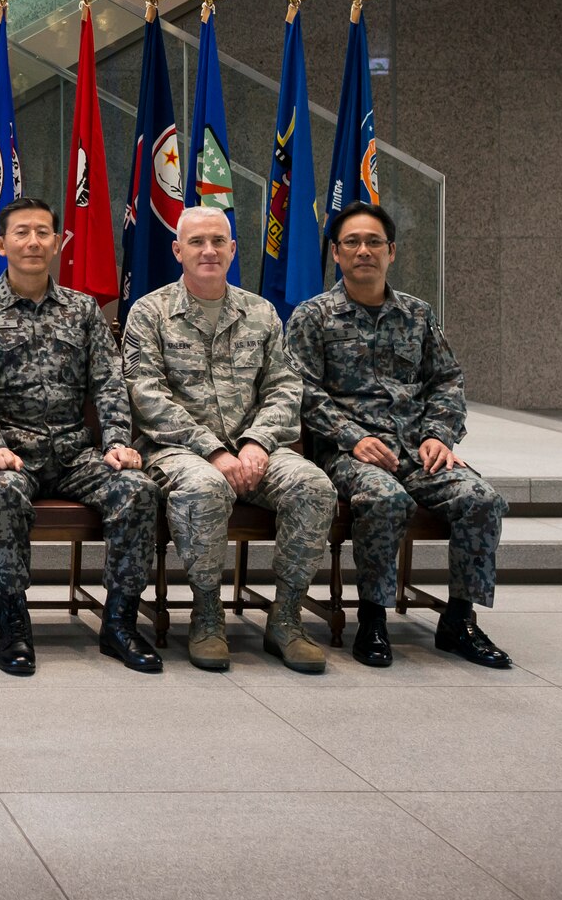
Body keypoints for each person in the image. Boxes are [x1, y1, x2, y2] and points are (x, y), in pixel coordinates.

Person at [285, 202, 511, 669]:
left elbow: (447, 380)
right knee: (384, 500)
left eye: (373, 243)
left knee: (481, 499)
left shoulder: (417, 314)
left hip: (417, 449)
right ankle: (372, 618)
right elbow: (299, 389)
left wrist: (439, 435)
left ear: (392, 251)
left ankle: (460, 620)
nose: (363, 250)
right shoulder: (314, 316)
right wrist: (351, 437)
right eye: (352, 242)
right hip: (350, 454)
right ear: (336, 253)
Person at [0, 197, 162, 677]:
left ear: (59, 243)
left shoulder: (83, 310)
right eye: (21, 232)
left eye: (43, 232)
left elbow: (108, 382)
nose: (33, 242)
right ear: (1, 244)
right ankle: (14, 622)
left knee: (138, 489)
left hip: (73, 452)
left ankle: (120, 622)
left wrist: (116, 443)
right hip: (9, 454)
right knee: (2, 496)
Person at [121, 207, 335, 673]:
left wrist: (257, 442)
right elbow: (146, 396)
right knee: (204, 486)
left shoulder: (260, 313)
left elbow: (285, 386)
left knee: (313, 486)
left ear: (233, 249)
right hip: (176, 450)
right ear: (178, 250)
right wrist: (213, 449)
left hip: (256, 449)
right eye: (197, 242)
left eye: (219, 241)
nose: (209, 250)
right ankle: (207, 613)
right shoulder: (150, 312)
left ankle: (287, 616)